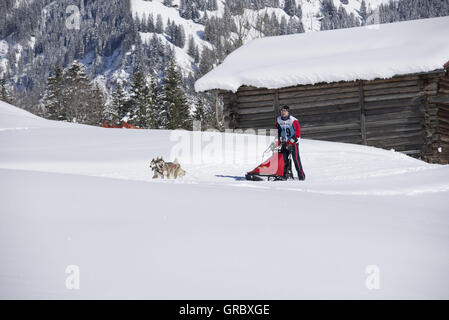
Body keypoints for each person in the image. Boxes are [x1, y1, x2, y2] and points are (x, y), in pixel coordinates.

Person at [275, 105, 306, 181]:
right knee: (284, 160)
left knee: (296, 160)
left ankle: (301, 176)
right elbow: (277, 132)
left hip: (293, 142)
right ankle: (284, 176)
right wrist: (278, 142)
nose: (283, 112)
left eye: (285, 111)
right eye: (282, 111)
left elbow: (298, 134)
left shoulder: (293, 120)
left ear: (288, 112)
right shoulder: (279, 120)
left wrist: (290, 142)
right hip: (284, 142)